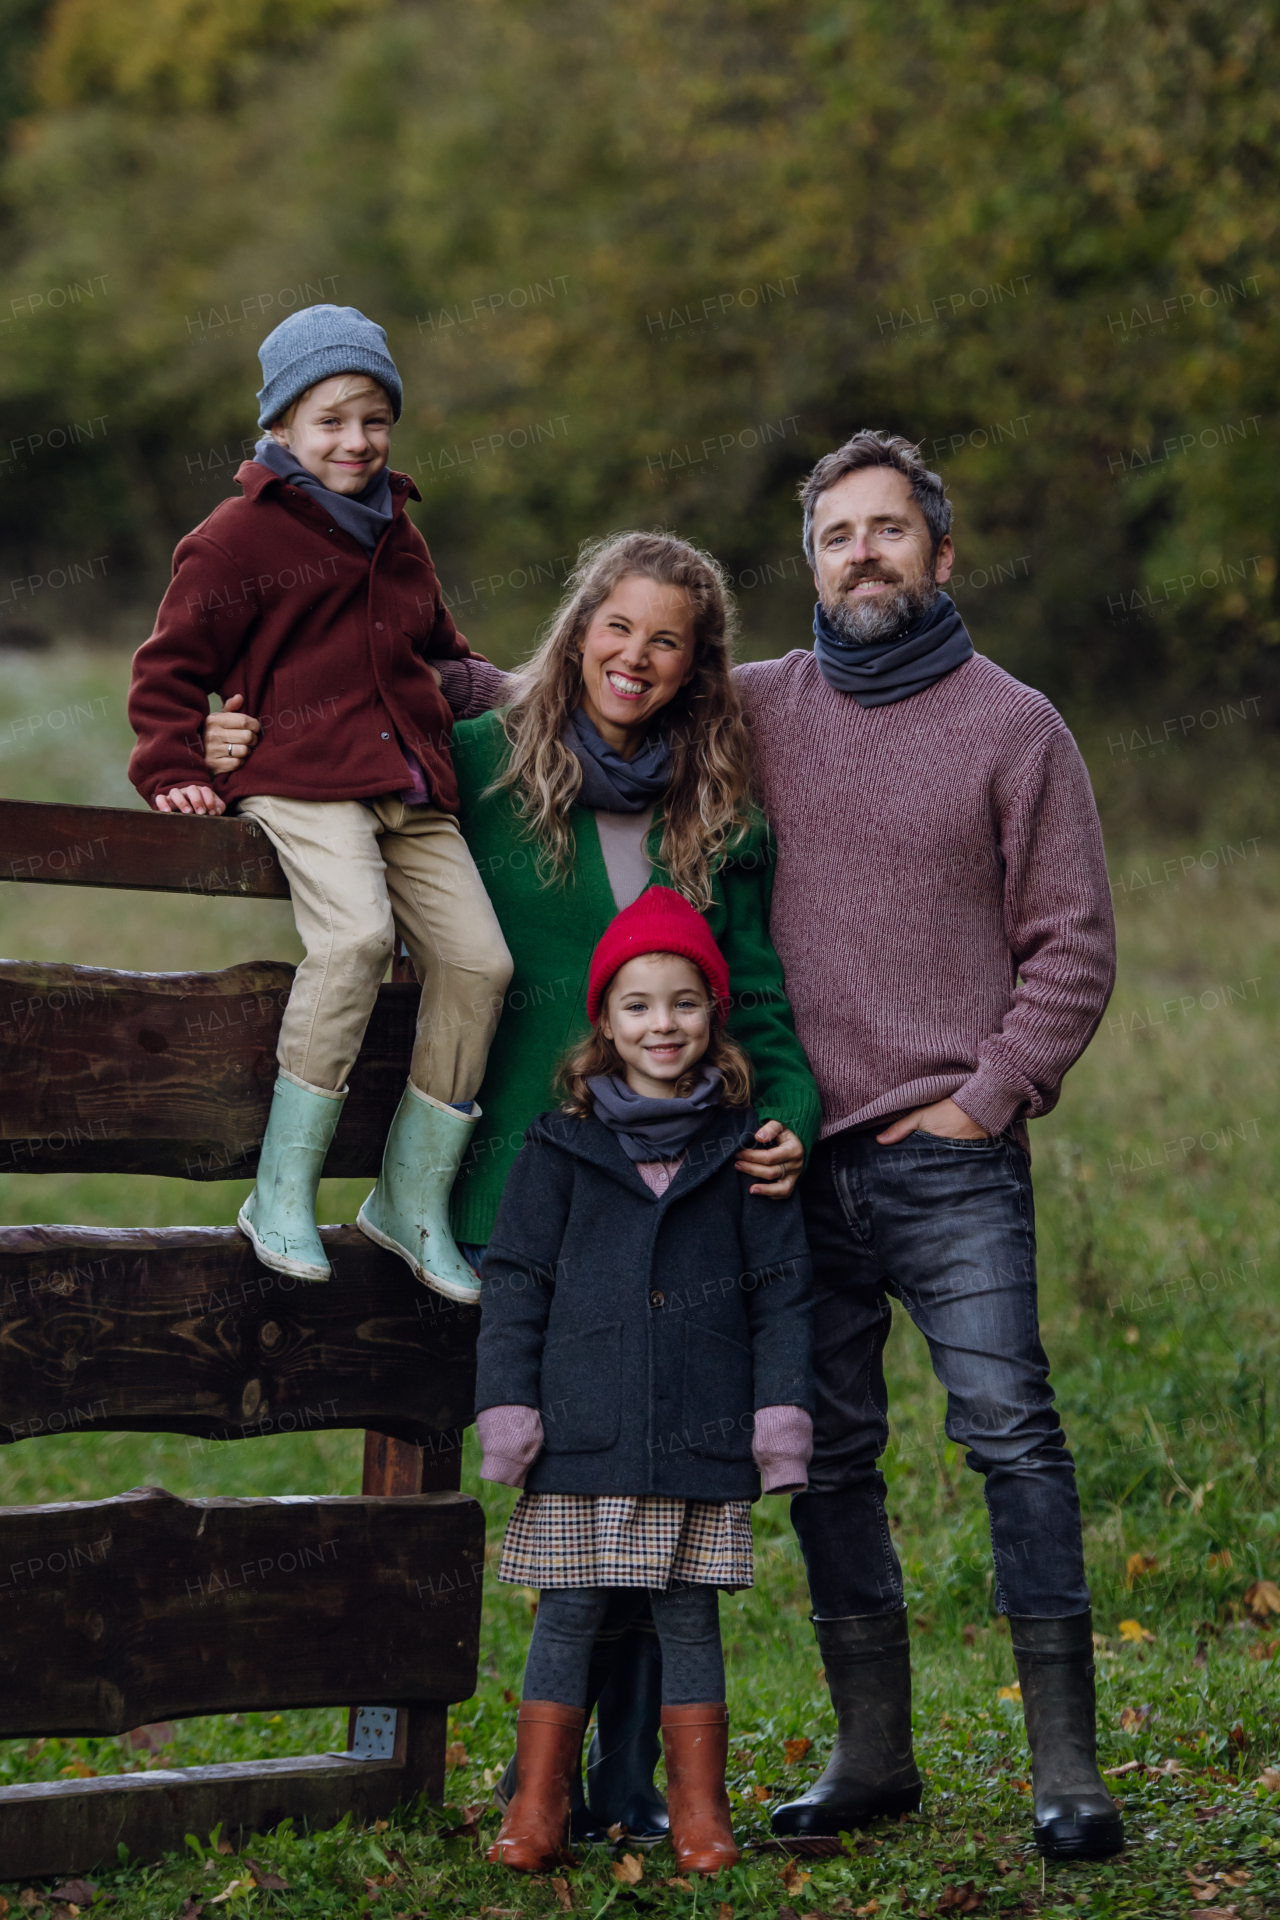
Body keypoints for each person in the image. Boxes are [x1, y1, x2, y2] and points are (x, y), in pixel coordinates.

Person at [201, 527, 821, 1836]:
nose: (635, 657)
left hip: (682, 1206)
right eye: (617, 626)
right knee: (563, 1491)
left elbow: (755, 1003)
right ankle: (508, 1776)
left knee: (663, 1493)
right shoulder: (476, 765)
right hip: (518, 1200)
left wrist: (795, 1120)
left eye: (667, 638)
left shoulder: (722, 821)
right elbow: (336, 769)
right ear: (578, 626)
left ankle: (632, 1786)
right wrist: (216, 737)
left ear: (699, 665)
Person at [732, 431, 1121, 1861]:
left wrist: (988, 1094)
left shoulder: (1017, 728)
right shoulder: (754, 708)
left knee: (1012, 1437)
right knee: (829, 1456)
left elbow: (1072, 946)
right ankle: (874, 1756)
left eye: (889, 531)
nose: (863, 556)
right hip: (789, 1166)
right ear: (812, 563)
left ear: (940, 556)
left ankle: (1068, 1773)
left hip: (947, 1158)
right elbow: (582, 691)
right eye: (838, 536)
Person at [128, 303, 512, 1296]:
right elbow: (170, 670)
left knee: (481, 961)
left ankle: (407, 1200)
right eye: (331, 419)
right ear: (283, 427)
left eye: (373, 418)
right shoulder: (235, 539)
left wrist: (541, 699)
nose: (355, 441)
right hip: (300, 779)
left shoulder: (400, 534)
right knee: (351, 941)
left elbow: (445, 659)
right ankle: (281, 1187)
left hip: (409, 787)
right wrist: (174, 760)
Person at [475, 889, 814, 1874]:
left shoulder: (740, 1149)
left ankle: (698, 1811)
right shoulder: (556, 1148)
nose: (660, 1025)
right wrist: (508, 1405)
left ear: (712, 1015)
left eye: (682, 1004)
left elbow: (781, 1291)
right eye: (637, 1005)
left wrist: (776, 1417)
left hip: (699, 1427)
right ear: (604, 1022)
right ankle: (537, 1805)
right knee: (570, 1609)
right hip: (583, 1426)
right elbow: (515, 1280)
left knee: (685, 1615)